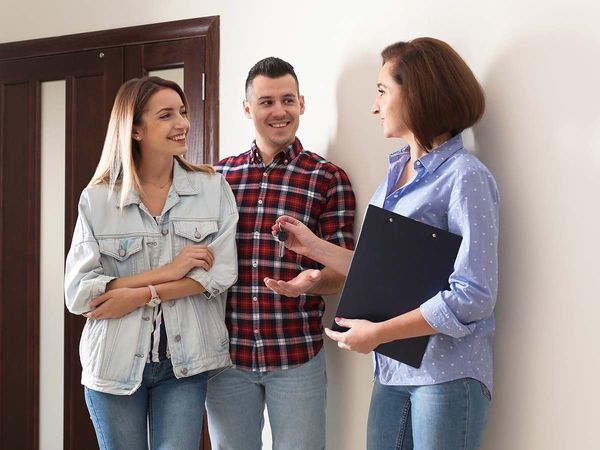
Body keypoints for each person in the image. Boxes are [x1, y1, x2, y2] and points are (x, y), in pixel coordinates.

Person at [272, 38, 499, 450]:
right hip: (392, 372)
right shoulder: (395, 174)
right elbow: (382, 268)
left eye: (381, 92)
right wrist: (314, 247)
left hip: (445, 375)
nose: (375, 107)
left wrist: (378, 333)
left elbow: (473, 295)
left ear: (417, 93)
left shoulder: (466, 176)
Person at [64, 76, 238, 450]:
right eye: (166, 115)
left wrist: (141, 294)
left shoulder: (211, 188)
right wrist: (169, 272)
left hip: (185, 363)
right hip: (113, 365)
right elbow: (79, 294)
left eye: (183, 112)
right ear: (136, 130)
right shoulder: (98, 200)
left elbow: (221, 273)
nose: (182, 124)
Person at [205, 57, 356, 450]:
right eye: (266, 101)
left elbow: (345, 267)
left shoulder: (328, 178)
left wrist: (313, 282)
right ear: (247, 109)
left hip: (296, 355)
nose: (279, 111)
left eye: (287, 100)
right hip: (226, 358)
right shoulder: (218, 178)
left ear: (302, 104)